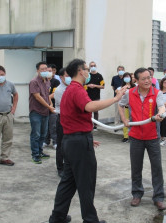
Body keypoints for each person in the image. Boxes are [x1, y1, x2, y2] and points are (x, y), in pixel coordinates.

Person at [49, 59, 126, 223]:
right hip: (77, 142)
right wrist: (115, 98)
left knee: (68, 183)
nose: (89, 71)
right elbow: (89, 107)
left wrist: (85, 137)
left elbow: (72, 118)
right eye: (86, 69)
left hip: (72, 141)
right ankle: (90, 220)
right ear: (80, 71)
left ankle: (57, 217)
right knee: (86, 183)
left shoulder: (70, 89)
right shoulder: (77, 90)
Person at [118, 67, 166, 210]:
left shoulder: (156, 93)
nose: (147, 81)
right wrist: (124, 119)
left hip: (152, 136)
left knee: (157, 167)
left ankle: (158, 197)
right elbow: (120, 105)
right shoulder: (130, 93)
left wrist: (160, 115)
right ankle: (137, 194)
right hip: (136, 136)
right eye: (144, 79)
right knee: (136, 167)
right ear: (137, 81)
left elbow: (162, 107)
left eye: (149, 77)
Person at [0, 65, 19, 168]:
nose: (1, 76)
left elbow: (15, 95)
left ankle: (4, 157)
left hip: (8, 115)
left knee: (8, 138)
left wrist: (13, 108)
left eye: (2, 74)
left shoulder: (10, 84)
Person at [29, 62, 53, 164]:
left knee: (43, 134)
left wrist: (50, 104)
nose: (44, 71)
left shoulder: (47, 81)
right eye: (42, 69)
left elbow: (47, 95)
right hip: (36, 111)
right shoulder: (34, 82)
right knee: (36, 134)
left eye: (46, 69)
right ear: (37, 71)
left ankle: (40, 152)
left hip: (45, 112)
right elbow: (37, 97)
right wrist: (49, 107)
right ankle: (35, 154)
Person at [53, 67, 71, 177]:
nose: (69, 78)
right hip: (62, 119)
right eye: (67, 76)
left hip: (70, 120)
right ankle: (60, 167)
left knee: (69, 145)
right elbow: (67, 106)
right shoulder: (59, 90)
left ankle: (67, 165)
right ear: (61, 77)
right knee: (61, 145)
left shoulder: (71, 88)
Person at [44, 64, 60, 149]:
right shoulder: (42, 81)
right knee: (45, 125)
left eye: (50, 71)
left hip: (53, 107)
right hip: (44, 107)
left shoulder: (55, 82)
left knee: (53, 125)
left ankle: (55, 142)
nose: (49, 72)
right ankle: (46, 141)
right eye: (47, 71)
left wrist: (46, 97)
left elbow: (54, 94)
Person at [86, 61, 105, 130]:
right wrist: (88, 85)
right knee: (88, 111)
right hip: (87, 96)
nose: (93, 67)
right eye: (91, 66)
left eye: (94, 65)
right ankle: (88, 125)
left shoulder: (99, 76)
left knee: (96, 111)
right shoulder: (87, 76)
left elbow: (103, 86)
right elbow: (83, 85)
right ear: (89, 67)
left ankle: (95, 126)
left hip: (96, 96)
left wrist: (95, 86)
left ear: (96, 66)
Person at [119, 72, 136, 143]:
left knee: (133, 121)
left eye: (128, 76)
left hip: (133, 107)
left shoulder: (134, 86)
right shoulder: (122, 87)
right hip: (125, 107)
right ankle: (126, 136)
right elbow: (120, 97)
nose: (127, 78)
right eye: (125, 77)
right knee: (125, 120)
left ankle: (133, 135)